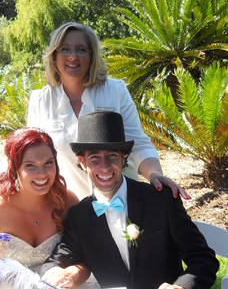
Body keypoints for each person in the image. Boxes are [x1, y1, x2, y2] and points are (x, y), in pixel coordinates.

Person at [42, 111, 219, 289]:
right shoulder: (79, 217)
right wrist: (58, 281)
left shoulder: (161, 201)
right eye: (95, 159)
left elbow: (203, 259)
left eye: (112, 156)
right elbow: (53, 264)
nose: (104, 167)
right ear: (82, 162)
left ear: (124, 158)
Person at [28, 21, 190, 201]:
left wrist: (154, 175)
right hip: (69, 209)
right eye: (65, 49)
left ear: (92, 56)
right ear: (54, 56)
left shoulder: (115, 91)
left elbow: (139, 143)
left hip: (122, 203)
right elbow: (30, 158)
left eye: (81, 49)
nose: (73, 56)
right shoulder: (40, 101)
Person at [0, 127, 81, 289]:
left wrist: (71, 274)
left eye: (48, 163)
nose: (42, 173)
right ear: (15, 169)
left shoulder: (67, 202)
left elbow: (84, 254)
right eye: (30, 166)